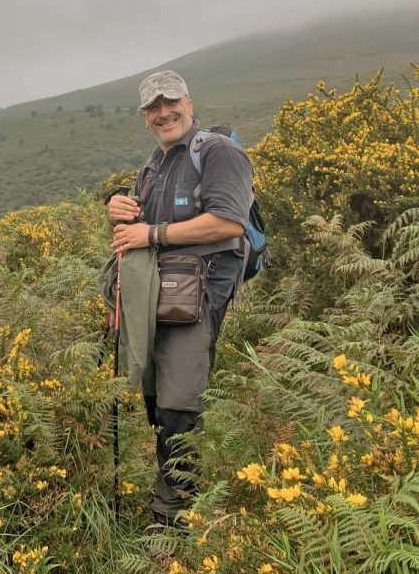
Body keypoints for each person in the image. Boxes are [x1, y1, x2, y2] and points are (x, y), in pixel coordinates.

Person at [107, 70, 254, 526]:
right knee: (158, 401)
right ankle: (171, 496)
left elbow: (229, 223)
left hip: (198, 299)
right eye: (152, 107)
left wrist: (151, 231)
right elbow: (137, 234)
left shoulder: (217, 152)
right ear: (144, 116)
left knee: (178, 407)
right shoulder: (154, 164)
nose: (163, 112)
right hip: (158, 299)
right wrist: (120, 206)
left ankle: (175, 518)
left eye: (170, 102)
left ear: (189, 103)